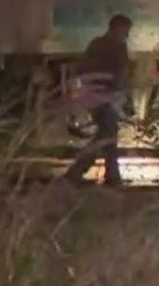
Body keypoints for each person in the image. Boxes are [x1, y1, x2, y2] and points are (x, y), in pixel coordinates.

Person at [62, 14, 133, 187]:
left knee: (108, 136)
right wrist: (123, 98)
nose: (126, 35)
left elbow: (83, 69)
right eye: (125, 31)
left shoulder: (96, 44)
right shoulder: (117, 47)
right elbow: (120, 75)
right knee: (105, 137)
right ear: (117, 29)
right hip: (107, 97)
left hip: (95, 96)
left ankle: (111, 176)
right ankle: (78, 172)